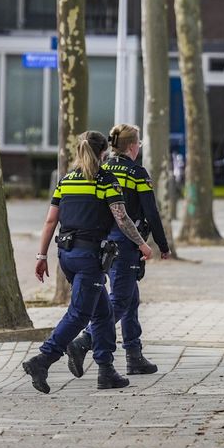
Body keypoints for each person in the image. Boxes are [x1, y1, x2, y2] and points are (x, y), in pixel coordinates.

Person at [21, 131, 152, 394]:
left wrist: (41, 256)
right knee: (80, 313)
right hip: (89, 257)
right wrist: (142, 244)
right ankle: (43, 359)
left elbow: (50, 221)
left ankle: (106, 370)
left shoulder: (66, 180)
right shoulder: (105, 180)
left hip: (66, 256)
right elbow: (122, 218)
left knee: (103, 313)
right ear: (104, 152)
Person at [66, 124, 170, 378]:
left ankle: (134, 354)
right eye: (139, 145)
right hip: (126, 243)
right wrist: (162, 244)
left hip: (102, 244)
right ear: (133, 146)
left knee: (130, 298)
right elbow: (150, 211)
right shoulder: (136, 172)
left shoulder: (101, 169)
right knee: (121, 300)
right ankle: (84, 341)